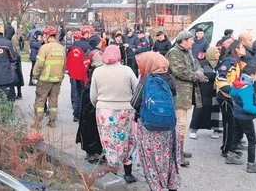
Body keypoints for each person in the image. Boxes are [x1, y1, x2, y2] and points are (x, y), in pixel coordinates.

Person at [132, 51, 180, 191]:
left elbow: (134, 103)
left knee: (151, 159)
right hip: (169, 127)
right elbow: (174, 103)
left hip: (149, 128)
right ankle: (172, 185)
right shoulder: (170, 79)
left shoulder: (146, 79)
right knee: (169, 157)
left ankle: (156, 186)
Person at [90, 45, 138, 183]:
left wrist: (100, 107)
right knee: (127, 140)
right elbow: (136, 90)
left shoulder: (98, 72)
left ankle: (114, 173)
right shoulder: (127, 70)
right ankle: (128, 173)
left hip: (104, 111)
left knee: (109, 141)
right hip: (126, 111)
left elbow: (93, 95)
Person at [166, 30, 207, 167]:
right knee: (181, 124)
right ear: (183, 41)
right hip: (179, 94)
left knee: (182, 123)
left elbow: (197, 65)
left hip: (187, 94)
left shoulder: (188, 52)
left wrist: (199, 72)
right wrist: (197, 76)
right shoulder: (174, 53)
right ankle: (178, 155)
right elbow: (180, 71)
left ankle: (180, 151)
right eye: (191, 39)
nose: (193, 41)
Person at [226, 65, 256, 173]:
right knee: (252, 140)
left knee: (237, 135)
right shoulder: (247, 87)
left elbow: (232, 94)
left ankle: (231, 155)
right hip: (245, 118)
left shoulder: (238, 82)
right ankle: (251, 165)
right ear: (251, 75)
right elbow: (248, 107)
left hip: (237, 115)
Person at [215, 40, 247, 158]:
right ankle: (226, 150)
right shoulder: (228, 62)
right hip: (225, 97)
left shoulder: (237, 62)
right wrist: (233, 91)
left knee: (233, 123)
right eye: (242, 47)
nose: (244, 49)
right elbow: (220, 79)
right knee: (229, 124)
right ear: (236, 49)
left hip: (231, 97)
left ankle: (229, 147)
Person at [76, 34, 103, 163]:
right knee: (92, 123)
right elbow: (99, 69)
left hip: (86, 88)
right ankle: (93, 151)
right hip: (92, 90)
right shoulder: (96, 54)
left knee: (86, 122)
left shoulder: (87, 53)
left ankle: (90, 149)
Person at [31, 26, 66, 129]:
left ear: (47, 35)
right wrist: (61, 76)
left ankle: (38, 122)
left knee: (40, 100)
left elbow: (39, 64)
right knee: (54, 100)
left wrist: (35, 75)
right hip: (57, 79)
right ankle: (52, 122)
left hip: (45, 80)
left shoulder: (44, 48)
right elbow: (64, 64)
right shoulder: (61, 48)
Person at [189, 46, 223, 139]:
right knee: (200, 110)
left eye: (219, 53)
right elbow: (198, 75)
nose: (218, 54)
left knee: (216, 110)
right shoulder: (202, 64)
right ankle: (194, 129)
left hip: (217, 92)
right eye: (216, 53)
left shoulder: (221, 64)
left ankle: (216, 130)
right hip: (204, 91)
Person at [67, 26, 93, 122]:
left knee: (75, 93)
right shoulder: (88, 47)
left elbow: (68, 58)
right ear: (87, 34)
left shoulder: (74, 45)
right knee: (83, 94)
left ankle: (76, 114)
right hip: (83, 74)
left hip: (73, 73)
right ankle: (81, 114)